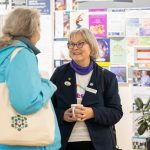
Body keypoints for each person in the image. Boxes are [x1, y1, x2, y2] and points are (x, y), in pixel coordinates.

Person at [50, 28, 123, 150]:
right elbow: (48, 108)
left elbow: (116, 112)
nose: (75, 47)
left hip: (98, 144)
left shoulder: (106, 77)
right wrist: (63, 115)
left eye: (80, 43)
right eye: (71, 44)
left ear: (91, 46)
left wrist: (93, 113)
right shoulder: (59, 74)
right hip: (65, 143)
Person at [0, 8, 61, 150]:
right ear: (33, 29)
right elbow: (25, 104)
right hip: (26, 143)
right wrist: (47, 85)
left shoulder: (5, 53)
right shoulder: (22, 55)